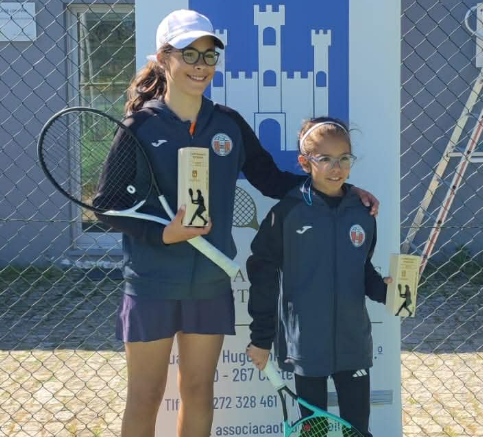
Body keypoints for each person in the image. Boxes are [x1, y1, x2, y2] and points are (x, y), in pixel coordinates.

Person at [93, 10, 381, 437]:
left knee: (198, 392)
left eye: (209, 56)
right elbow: (106, 207)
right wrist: (162, 234)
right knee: (146, 396)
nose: (200, 66)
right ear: (163, 58)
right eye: (189, 54)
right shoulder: (139, 125)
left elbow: (271, 180)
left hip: (210, 282)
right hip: (151, 283)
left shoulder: (227, 123)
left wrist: (337, 188)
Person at [245, 117, 391, 437]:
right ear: (304, 162)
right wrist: (261, 337)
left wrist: (386, 290)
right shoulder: (287, 213)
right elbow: (263, 275)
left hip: (353, 344)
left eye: (344, 158)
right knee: (314, 431)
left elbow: (362, 270)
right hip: (305, 347)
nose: (336, 167)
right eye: (325, 159)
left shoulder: (362, 212)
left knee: (357, 430)